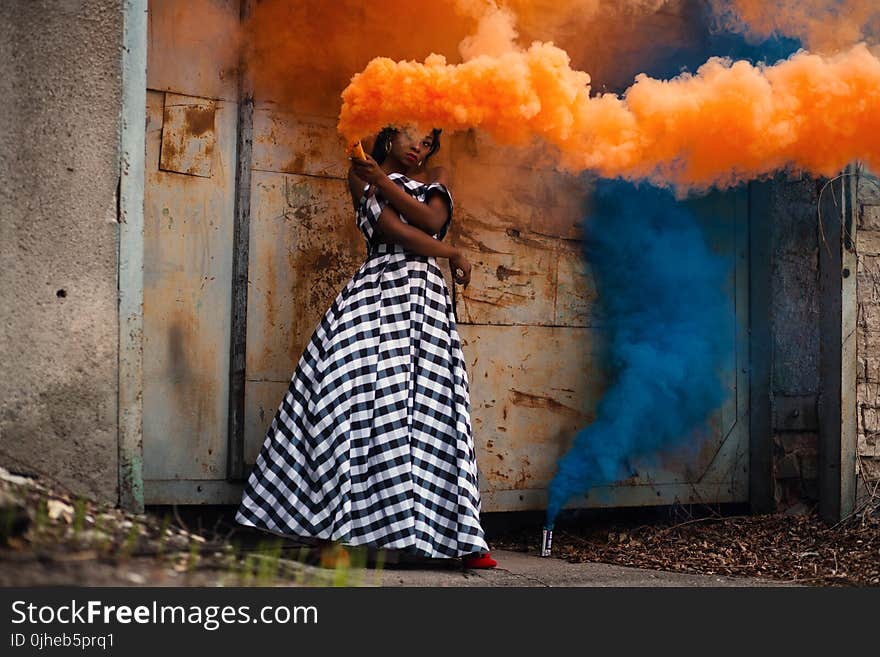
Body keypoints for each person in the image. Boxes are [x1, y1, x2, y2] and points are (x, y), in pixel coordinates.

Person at [235, 124, 497, 569]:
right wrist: (450, 252)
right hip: (376, 291)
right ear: (390, 136)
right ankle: (331, 535)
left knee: (431, 411)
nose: (421, 148)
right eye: (414, 137)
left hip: (424, 303)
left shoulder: (435, 178)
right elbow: (393, 230)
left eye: (429, 142)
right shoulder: (360, 175)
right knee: (340, 398)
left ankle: (462, 541)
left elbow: (432, 221)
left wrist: (393, 192)